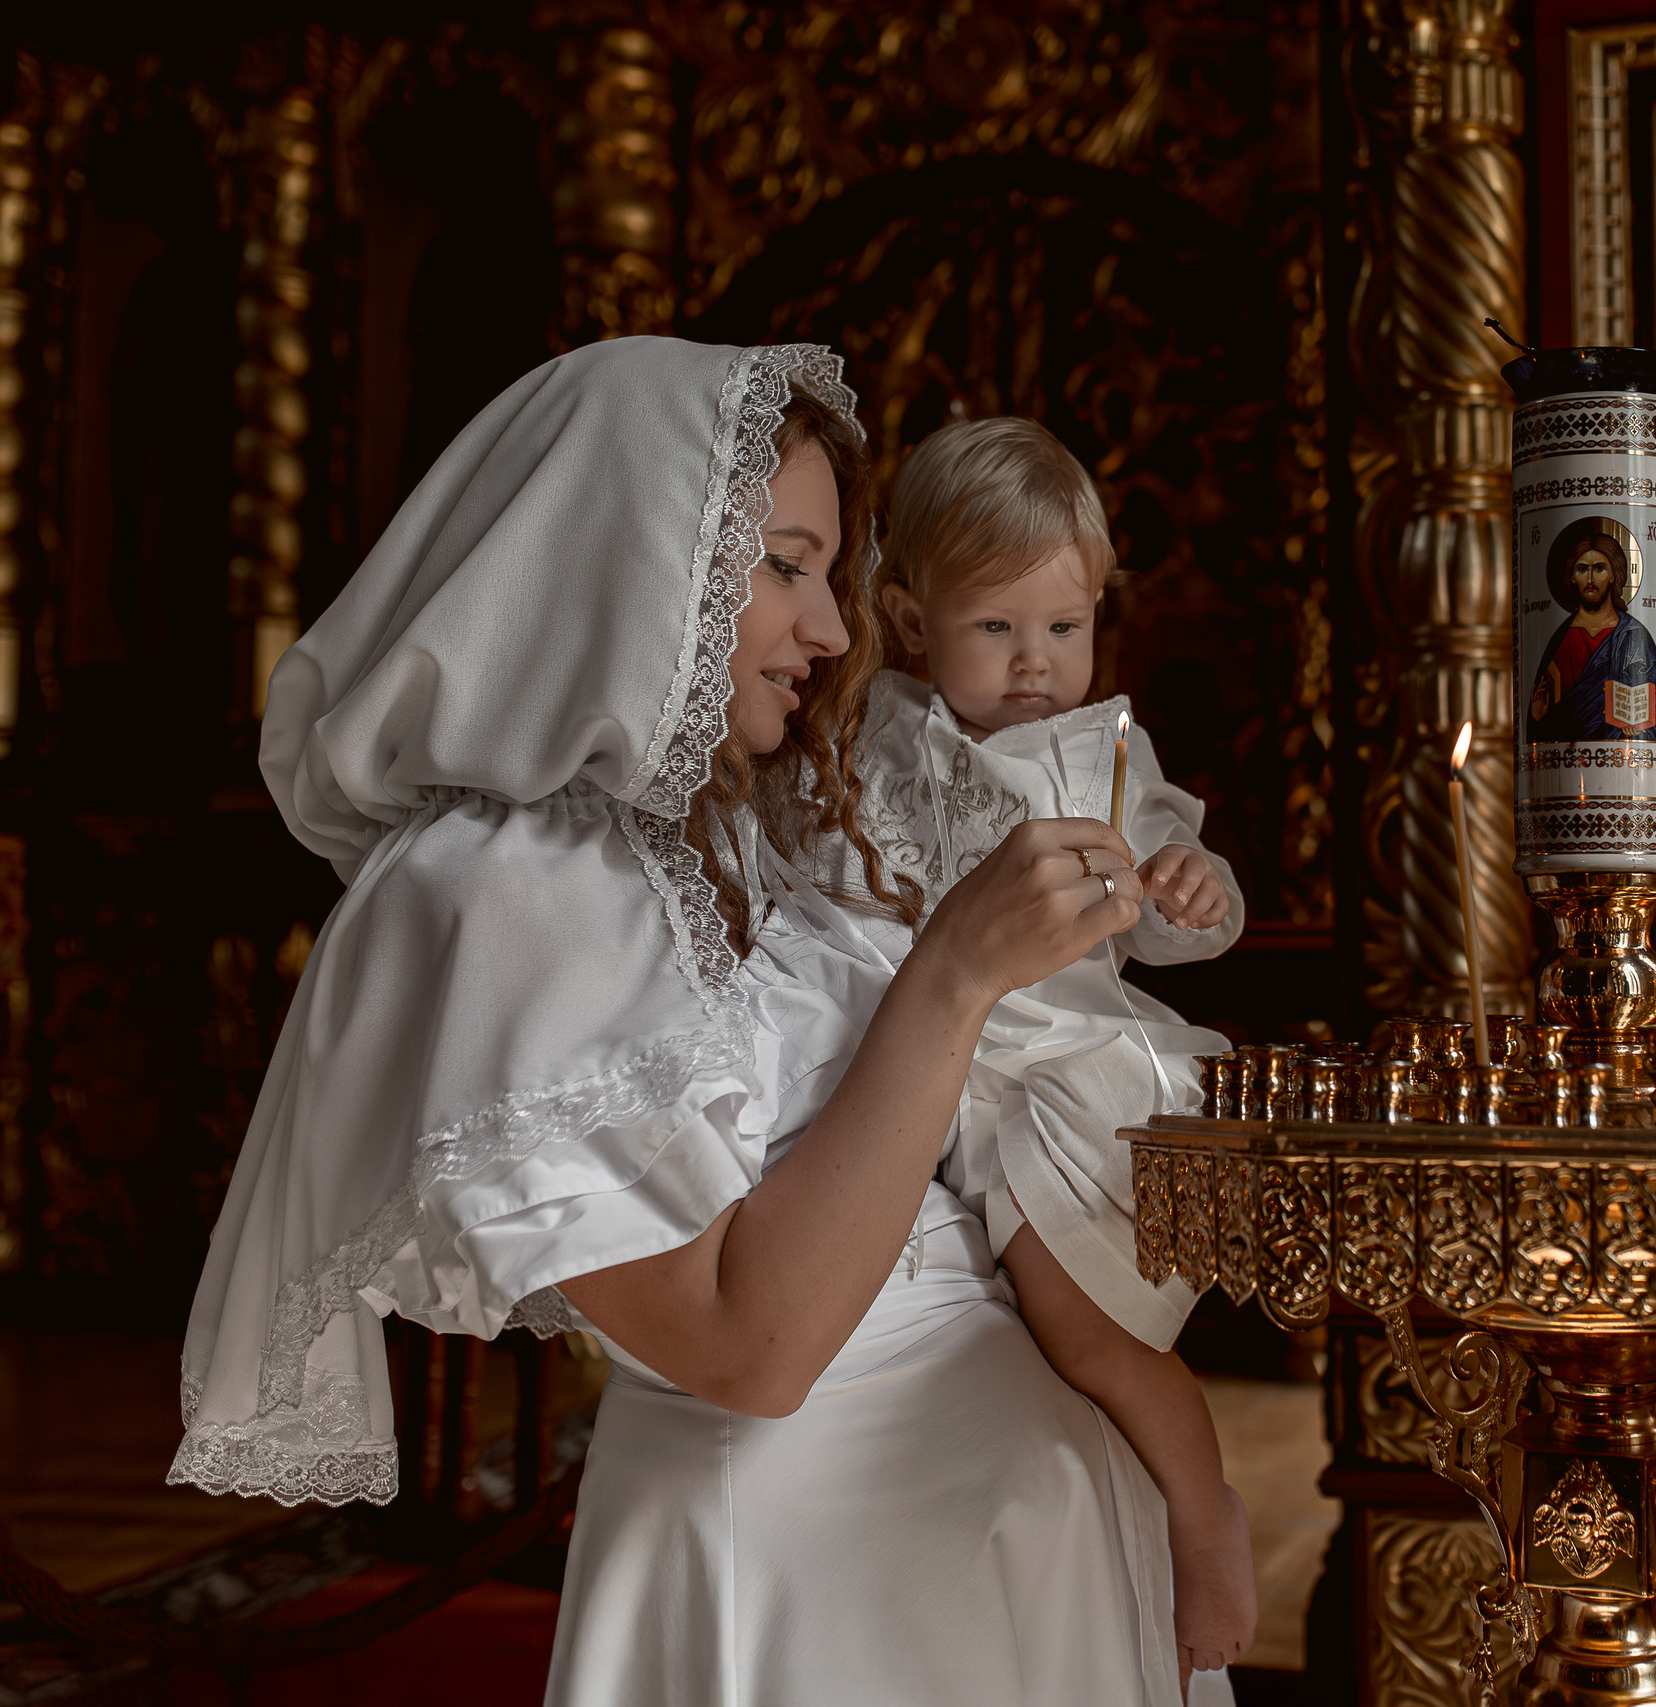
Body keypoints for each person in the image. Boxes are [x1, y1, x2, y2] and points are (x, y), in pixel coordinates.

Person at [168, 338, 1222, 1704]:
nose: (833, 629)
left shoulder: (740, 836)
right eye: (786, 563)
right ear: (628, 555)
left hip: (1003, 1533)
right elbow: (744, 1341)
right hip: (814, 1577)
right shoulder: (508, 896)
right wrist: (954, 972)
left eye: (830, 573)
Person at [798, 415, 1255, 1679]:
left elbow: (1172, 907)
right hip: (928, 1066)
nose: (1036, 664)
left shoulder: (1101, 751)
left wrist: (1190, 886)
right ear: (904, 618)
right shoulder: (867, 735)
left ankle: (1205, 1513)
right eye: (995, 629)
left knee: (1090, 1333)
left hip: (1055, 1076)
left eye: (1065, 627)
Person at [1526, 518, 1656, 745]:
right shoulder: (1560, 641)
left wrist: (1639, 731)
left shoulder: (1633, 636)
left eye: (1599, 569)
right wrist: (1538, 717)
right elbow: (1543, 731)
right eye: (1582, 569)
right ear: (1572, 577)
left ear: (1614, 575)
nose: (1590, 579)